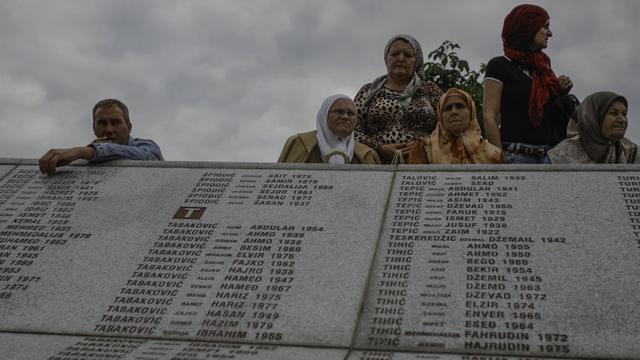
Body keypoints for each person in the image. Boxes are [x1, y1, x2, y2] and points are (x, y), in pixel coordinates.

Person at [483, 4, 578, 164]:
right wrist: (499, 160)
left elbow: (548, 117)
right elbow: (489, 116)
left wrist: (560, 93)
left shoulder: (544, 71)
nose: (550, 33)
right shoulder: (499, 65)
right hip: (515, 157)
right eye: (545, 26)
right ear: (528, 27)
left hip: (548, 158)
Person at [354, 34, 443, 163]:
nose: (401, 58)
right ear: (386, 58)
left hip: (423, 165)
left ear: (416, 60)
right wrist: (379, 148)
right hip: (376, 165)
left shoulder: (430, 90)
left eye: (408, 55)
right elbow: (352, 131)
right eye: (395, 54)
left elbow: (446, 126)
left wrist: (423, 146)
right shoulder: (368, 91)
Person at [39, 98, 163, 175]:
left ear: (129, 127)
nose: (109, 130)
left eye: (116, 122)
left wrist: (84, 151)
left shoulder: (147, 147)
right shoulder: (83, 159)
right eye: (102, 123)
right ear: (94, 128)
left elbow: (151, 157)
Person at [408, 88, 504, 164]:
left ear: (471, 112)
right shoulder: (423, 148)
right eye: (448, 108)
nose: (454, 112)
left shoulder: (493, 153)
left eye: (460, 106)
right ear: (440, 116)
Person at [278, 94, 380, 164]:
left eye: (351, 113)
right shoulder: (300, 144)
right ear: (324, 115)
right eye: (339, 112)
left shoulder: (367, 155)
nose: (345, 117)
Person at [548, 91, 638, 164]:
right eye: (613, 113)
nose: (622, 120)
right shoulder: (561, 155)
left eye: (624, 114)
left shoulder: (630, 151)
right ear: (592, 119)